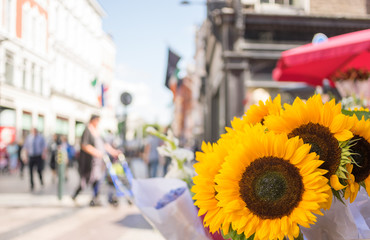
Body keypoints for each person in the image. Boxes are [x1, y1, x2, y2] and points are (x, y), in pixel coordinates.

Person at [72, 114, 121, 206]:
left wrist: (114, 152)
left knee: (97, 179)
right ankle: (75, 195)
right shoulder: (87, 130)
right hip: (88, 162)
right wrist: (97, 152)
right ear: (93, 120)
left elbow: (105, 144)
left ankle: (95, 198)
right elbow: (84, 145)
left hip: (97, 163)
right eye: (97, 121)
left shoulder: (97, 131)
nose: (98, 123)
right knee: (85, 180)